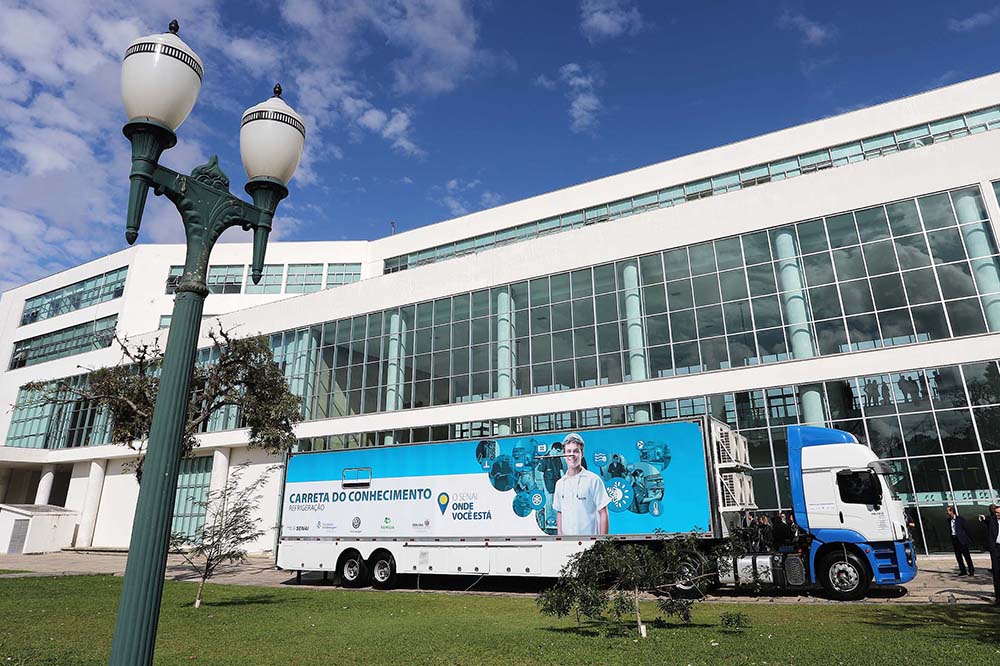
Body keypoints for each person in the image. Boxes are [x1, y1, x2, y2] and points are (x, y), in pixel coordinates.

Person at [553, 432, 609, 535]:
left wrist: (602, 541)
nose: (572, 455)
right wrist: (560, 538)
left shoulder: (593, 480)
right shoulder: (560, 484)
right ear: (564, 455)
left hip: (590, 542)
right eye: (568, 451)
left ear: (582, 454)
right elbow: (560, 512)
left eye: (576, 451)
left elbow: (603, 512)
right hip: (567, 543)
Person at [946, 506, 975, 576]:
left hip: (962, 540)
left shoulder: (960, 519)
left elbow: (966, 529)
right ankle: (963, 571)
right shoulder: (948, 520)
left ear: (952, 511)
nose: (947, 513)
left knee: (967, 556)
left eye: (948, 511)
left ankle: (971, 570)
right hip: (954, 539)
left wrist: (968, 539)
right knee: (958, 556)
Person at [982, 504, 1000, 605]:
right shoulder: (992, 520)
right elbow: (987, 519)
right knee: (996, 573)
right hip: (996, 549)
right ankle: (998, 597)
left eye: (998, 513)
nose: (996, 514)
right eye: (995, 512)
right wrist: (983, 518)